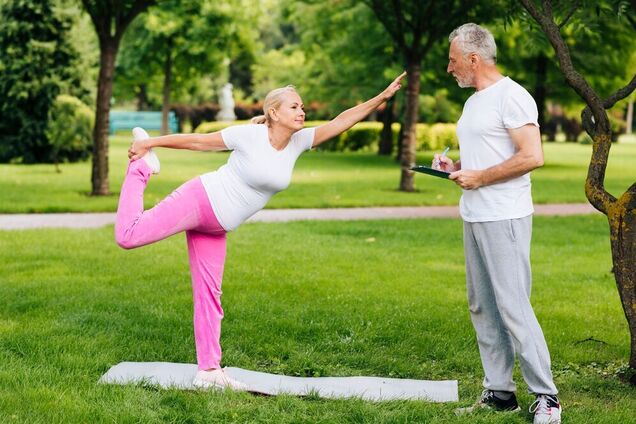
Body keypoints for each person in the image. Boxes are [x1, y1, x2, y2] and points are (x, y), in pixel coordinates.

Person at [115, 72, 406, 390]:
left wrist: (382, 97)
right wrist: (149, 144)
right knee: (129, 236)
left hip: (217, 227)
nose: (301, 112)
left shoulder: (297, 143)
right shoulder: (249, 136)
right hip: (202, 199)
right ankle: (142, 169)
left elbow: (341, 120)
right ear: (274, 112)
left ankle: (209, 371)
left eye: (302, 107)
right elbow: (200, 141)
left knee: (209, 295)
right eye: (294, 106)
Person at [433, 23, 561, 424]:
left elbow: (531, 156)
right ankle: (500, 392)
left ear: (473, 59)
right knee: (483, 306)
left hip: (504, 214)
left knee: (512, 306)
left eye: (453, 60)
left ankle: (547, 397)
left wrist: (480, 177)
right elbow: (488, 156)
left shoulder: (513, 96)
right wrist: (457, 167)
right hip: (474, 213)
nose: (449, 68)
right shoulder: (475, 101)